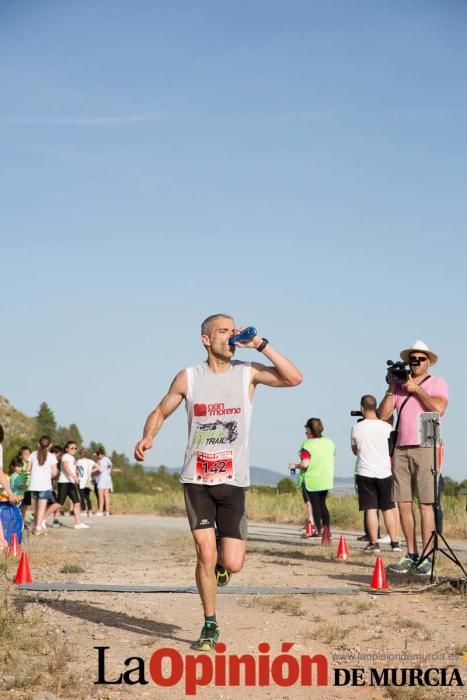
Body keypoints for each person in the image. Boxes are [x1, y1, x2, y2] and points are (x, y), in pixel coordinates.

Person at [134, 314, 302, 651]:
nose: (230, 336)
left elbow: (294, 378)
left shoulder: (247, 373)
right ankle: (210, 624)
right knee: (205, 554)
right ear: (206, 340)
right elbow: (161, 410)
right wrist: (147, 436)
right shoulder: (189, 377)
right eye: (223, 331)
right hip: (196, 479)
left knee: (233, 562)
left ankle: (223, 568)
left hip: (233, 481)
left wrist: (260, 344)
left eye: (233, 330)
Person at [378, 340, 448, 577]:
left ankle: (427, 557)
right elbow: (384, 415)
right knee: (404, 504)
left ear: (428, 362)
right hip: (401, 448)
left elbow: (438, 409)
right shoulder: (398, 387)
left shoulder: (437, 383)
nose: (415, 362)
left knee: (426, 503)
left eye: (420, 359)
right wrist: (391, 386)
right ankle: (411, 553)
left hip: (426, 446)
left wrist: (416, 389)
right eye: (413, 359)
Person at [351, 395, 400, 554]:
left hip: (365, 472)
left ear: (361, 408)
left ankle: (374, 543)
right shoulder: (387, 427)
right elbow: (391, 448)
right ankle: (395, 543)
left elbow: (354, 450)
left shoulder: (356, 427)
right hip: (384, 472)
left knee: (371, 509)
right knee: (388, 508)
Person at [292, 418, 334, 538]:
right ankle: (327, 530)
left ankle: (318, 531)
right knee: (323, 505)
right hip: (325, 479)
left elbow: (305, 464)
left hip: (312, 480)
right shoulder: (329, 442)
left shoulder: (307, 444)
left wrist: (295, 465)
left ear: (310, 430)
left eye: (306, 431)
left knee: (315, 506)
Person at [28, 435, 59, 535]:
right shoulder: (52, 456)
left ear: (38, 444)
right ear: (50, 445)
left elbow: (28, 470)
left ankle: (35, 525)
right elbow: (54, 473)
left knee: (37, 506)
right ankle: (38, 527)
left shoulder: (32, 455)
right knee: (42, 507)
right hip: (44, 484)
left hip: (33, 484)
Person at [56, 441, 89, 529]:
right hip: (64, 483)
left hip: (70, 483)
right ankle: (43, 518)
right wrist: (74, 476)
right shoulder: (66, 456)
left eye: (75, 448)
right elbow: (66, 467)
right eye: (71, 448)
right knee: (59, 504)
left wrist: (76, 475)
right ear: (67, 449)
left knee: (76, 503)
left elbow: (71, 468)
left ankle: (78, 524)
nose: (74, 449)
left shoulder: (72, 457)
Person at [76, 449, 99, 517]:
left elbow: (78, 471)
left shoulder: (79, 461)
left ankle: (83, 511)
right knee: (87, 497)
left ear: (80, 454)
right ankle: (90, 511)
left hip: (81, 480)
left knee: (82, 497)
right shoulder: (90, 461)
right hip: (88, 481)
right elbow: (98, 467)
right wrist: (91, 472)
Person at [95, 448, 112, 516]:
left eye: (98, 455)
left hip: (101, 479)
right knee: (106, 496)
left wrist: (94, 472)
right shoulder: (107, 459)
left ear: (100, 454)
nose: (98, 456)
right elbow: (110, 465)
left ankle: (100, 511)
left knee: (100, 496)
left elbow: (100, 470)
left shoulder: (100, 461)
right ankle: (107, 511)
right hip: (107, 479)